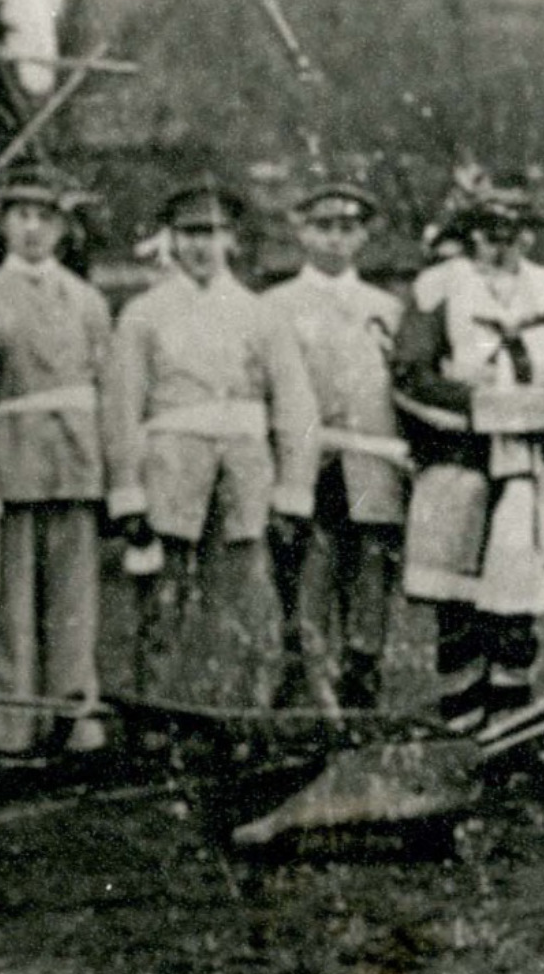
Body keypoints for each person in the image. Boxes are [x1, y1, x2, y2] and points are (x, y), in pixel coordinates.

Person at [391, 174, 544, 732]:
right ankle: (461, 718)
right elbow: (409, 375)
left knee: (519, 586)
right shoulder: (437, 288)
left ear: (529, 236)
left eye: (513, 231)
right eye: (488, 231)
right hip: (461, 453)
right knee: (456, 589)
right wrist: (482, 407)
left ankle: (512, 719)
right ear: (469, 234)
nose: (500, 243)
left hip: (534, 458)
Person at [102, 175, 320, 717]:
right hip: (170, 473)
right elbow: (122, 406)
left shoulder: (262, 314)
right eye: (189, 233)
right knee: (164, 601)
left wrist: (294, 489)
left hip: (245, 474)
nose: (201, 246)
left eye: (213, 232)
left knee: (247, 600)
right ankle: (159, 718)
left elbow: (295, 406)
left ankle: (240, 716)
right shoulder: (143, 314)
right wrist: (127, 490)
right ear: (171, 240)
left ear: (232, 241)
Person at [0, 166, 114, 755]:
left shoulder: (90, 301)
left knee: (75, 597)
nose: (34, 230)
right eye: (22, 216)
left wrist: (118, 472)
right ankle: (13, 720)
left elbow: (107, 389)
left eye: (45, 217)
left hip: (76, 457)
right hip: (11, 457)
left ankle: (75, 714)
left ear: (63, 227)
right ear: (2, 224)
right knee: (13, 598)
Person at [259, 181, 407, 713]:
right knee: (305, 587)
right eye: (323, 226)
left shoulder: (387, 308)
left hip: (373, 468)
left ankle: (362, 694)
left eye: (347, 228)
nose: (335, 239)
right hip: (307, 466)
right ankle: (305, 699)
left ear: (364, 235)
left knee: (369, 586)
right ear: (301, 230)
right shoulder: (274, 306)